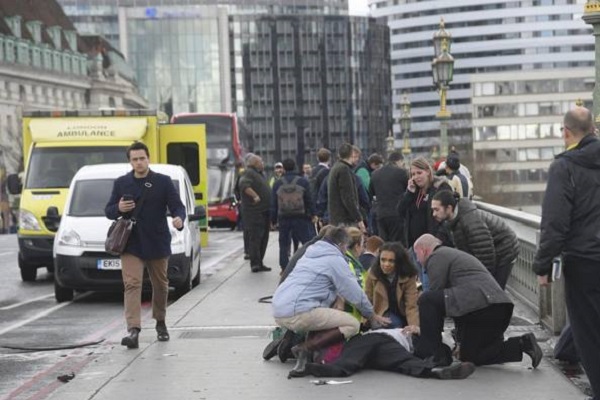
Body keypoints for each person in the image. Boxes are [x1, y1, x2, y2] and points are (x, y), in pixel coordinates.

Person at [533, 106, 600, 400]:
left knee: (589, 335)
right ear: (594, 130)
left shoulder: (564, 167)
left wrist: (542, 265)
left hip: (584, 262)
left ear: (566, 132)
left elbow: (555, 222)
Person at [271, 226, 390, 377]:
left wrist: (338, 298)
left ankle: (297, 349)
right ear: (341, 245)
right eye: (346, 247)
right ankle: (305, 348)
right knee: (351, 324)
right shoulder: (335, 259)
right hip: (298, 311)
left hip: (279, 308)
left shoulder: (311, 253)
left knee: (323, 313)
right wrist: (372, 315)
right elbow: (354, 293)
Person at [413, 234, 542, 368]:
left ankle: (434, 355)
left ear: (423, 250)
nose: (417, 259)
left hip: (481, 305)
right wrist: (460, 343)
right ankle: (522, 344)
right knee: (471, 356)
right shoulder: (455, 256)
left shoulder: (437, 256)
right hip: (498, 307)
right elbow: (457, 304)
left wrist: (424, 331)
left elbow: (436, 298)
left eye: (417, 255)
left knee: (426, 299)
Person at [105, 142, 186, 349]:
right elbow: (108, 210)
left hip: (157, 241)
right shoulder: (122, 183)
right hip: (131, 243)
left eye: (142, 158)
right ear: (130, 161)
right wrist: (119, 207)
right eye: (135, 159)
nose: (139, 162)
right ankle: (133, 330)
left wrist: (179, 218)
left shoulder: (162, 181)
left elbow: (177, 205)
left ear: (148, 158)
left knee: (160, 284)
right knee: (132, 284)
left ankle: (160, 321)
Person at [295, 328, 475, 380]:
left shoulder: (446, 342)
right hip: (377, 338)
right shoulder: (443, 336)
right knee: (351, 361)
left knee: (404, 362)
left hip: (385, 348)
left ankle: (436, 372)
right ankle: (435, 370)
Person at [431, 190, 518, 289]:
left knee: (494, 290)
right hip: (494, 247)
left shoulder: (470, 221)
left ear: (449, 208)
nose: (433, 214)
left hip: (505, 248)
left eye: (436, 209)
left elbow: (486, 255)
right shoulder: (452, 220)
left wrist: (482, 280)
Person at [270, 158, 317, 271]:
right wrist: (313, 214)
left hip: (284, 217)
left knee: (284, 243)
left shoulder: (277, 183)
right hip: (301, 216)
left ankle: (284, 267)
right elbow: (309, 199)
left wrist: (273, 220)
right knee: (306, 241)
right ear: (295, 167)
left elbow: (273, 203)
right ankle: (309, 264)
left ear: (284, 169)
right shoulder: (303, 181)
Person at [397, 157, 452, 248]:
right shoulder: (414, 191)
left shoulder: (440, 188)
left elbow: (446, 217)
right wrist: (409, 193)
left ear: (428, 172)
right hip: (414, 244)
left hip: (434, 242)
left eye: (419, 173)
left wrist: (438, 239)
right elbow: (400, 211)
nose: (416, 177)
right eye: (413, 174)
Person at [364, 242, 419, 329]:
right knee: (394, 323)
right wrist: (369, 319)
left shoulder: (408, 276)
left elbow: (411, 304)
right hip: (381, 314)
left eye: (391, 261)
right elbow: (367, 298)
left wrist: (414, 326)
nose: (386, 264)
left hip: (403, 313)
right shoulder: (373, 274)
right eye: (383, 260)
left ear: (399, 262)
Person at [238, 154, 272, 272]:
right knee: (256, 238)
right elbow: (244, 185)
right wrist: (255, 196)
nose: (263, 163)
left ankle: (260, 262)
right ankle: (255, 264)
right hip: (255, 212)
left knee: (263, 238)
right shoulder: (249, 172)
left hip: (264, 211)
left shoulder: (259, 174)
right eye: (260, 162)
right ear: (254, 163)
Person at [370, 151, 409, 242]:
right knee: (397, 243)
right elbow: (409, 190)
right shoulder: (402, 173)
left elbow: (371, 193)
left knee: (384, 243)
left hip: (381, 214)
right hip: (397, 213)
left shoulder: (375, 174)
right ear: (399, 161)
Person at [327, 143, 364, 231]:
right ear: (351, 154)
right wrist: (358, 218)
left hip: (336, 218)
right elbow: (348, 197)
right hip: (345, 219)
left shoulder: (335, 167)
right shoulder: (344, 169)